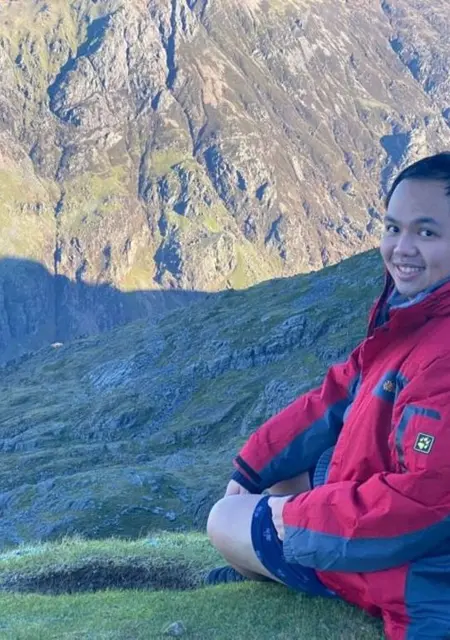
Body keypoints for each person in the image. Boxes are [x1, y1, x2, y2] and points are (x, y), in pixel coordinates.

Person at [206, 152, 450, 640]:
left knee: (223, 519)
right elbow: (335, 395)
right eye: (393, 228)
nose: (401, 248)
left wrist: (294, 518)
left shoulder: (440, 350)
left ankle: (285, 571)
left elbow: (424, 501)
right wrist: (251, 467)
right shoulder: (414, 317)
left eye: (426, 232)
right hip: (382, 504)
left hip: (416, 568)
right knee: (278, 480)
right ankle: (276, 556)